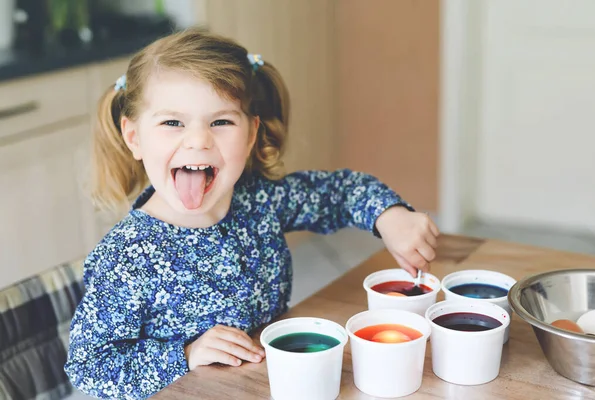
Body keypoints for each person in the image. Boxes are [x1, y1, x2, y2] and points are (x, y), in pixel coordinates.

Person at [64, 27, 440, 399]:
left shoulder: (260, 200)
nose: (197, 139)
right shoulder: (127, 256)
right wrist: (185, 354)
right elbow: (89, 364)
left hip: (268, 382)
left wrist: (389, 215)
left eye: (221, 121)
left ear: (249, 135)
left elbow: (338, 193)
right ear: (134, 137)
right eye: (172, 122)